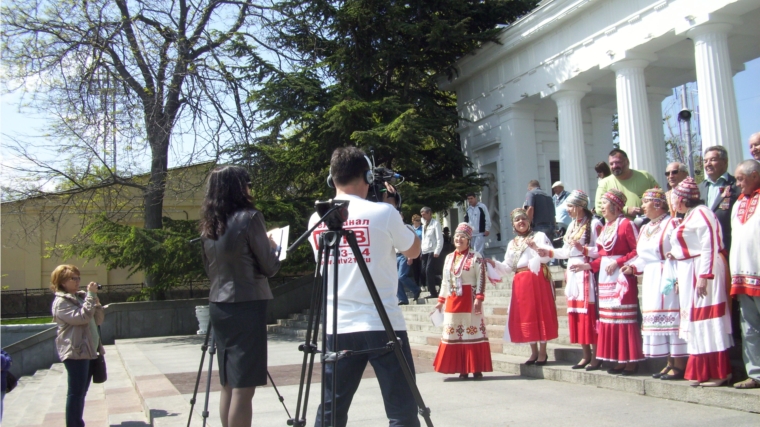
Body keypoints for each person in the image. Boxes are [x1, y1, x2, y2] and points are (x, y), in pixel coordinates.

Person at [308, 147, 422, 427]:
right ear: (368, 176)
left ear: (331, 179)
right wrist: (394, 212)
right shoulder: (384, 212)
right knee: (401, 411)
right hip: (383, 323)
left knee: (332, 410)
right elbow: (414, 250)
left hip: (339, 326)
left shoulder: (316, 220)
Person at [199, 165, 282, 427]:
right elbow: (269, 266)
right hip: (247, 304)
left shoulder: (209, 226)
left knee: (229, 381)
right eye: (246, 183)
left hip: (219, 304)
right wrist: (274, 247)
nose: (250, 187)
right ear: (238, 188)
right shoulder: (250, 218)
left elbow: (209, 268)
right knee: (244, 386)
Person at [668, 177, 733, 387]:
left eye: (675, 197)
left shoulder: (702, 213)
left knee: (707, 317)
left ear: (684, 199)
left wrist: (705, 275)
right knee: (696, 319)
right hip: (690, 270)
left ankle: (719, 371)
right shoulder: (688, 216)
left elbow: (710, 244)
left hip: (703, 269)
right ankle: (702, 370)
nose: (673, 201)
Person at [620, 189, 688, 380]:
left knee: (670, 315)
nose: (642, 206)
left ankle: (679, 363)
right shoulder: (645, 228)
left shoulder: (672, 223)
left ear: (657, 204)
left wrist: (677, 276)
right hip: (651, 277)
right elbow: (644, 257)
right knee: (658, 318)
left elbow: (679, 250)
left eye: (645, 202)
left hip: (667, 273)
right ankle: (669, 362)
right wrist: (632, 267)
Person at [575, 189, 642, 374]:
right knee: (610, 318)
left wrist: (619, 262)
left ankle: (631, 360)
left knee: (624, 318)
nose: (601, 207)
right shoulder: (605, 227)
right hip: (605, 277)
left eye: (604, 204)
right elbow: (602, 256)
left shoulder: (627, 224)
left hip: (621, 276)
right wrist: (587, 266)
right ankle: (619, 358)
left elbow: (638, 251)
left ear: (614, 205)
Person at [539, 190, 602, 369]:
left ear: (580, 206)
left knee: (589, 313)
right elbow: (566, 251)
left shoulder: (594, 224)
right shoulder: (573, 225)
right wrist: (548, 252)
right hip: (573, 272)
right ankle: (585, 354)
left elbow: (600, 250)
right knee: (576, 314)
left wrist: (583, 250)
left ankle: (596, 355)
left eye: (570, 206)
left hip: (586, 271)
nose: (567, 210)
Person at [486, 208, 558, 365]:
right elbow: (507, 267)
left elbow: (549, 255)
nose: (521, 222)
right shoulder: (513, 243)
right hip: (521, 281)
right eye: (517, 220)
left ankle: (543, 352)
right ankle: (533, 351)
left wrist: (535, 248)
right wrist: (494, 263)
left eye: (523, 219)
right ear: (513, 225)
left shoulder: (539, 236)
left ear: (529, 221)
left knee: (540, 312)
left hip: (537, 277)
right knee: (527, 314)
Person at [431, 223, 493, 379]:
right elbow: (445, 281)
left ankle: (476, 367)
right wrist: (440, 301)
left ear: (468, 240)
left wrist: (479, 297)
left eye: (463, 237)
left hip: (470, 299)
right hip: (452, 300)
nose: (459, 239)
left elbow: (481, 278)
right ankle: (462, 369)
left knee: (472, 333)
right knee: (455, 335)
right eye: (457, 236)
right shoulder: (449, 258)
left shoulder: (475, 257)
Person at [50, 264, 105, 427]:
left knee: (81, 392)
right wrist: (90, 297)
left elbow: (97, 320)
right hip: (75, 351)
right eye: (73, 278)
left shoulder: (81, 297)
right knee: (75, 393)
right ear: (62, 282)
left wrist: (96, 303)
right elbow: (81, 318)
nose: (77, 281)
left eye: (78, 278)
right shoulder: (61, 302)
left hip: (88, 350)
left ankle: (77, 422)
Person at [729, 159, 760, 389]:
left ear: (755, 176)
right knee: (749, 328)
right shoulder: (739, 202)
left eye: (741, 178)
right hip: (741, 275)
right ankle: (756, 373)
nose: (738, 183)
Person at [595, 149, 660, 217]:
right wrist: (625, 210)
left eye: (618, 162)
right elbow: (599, 209)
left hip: (646, 225)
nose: (614, 166)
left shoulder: (645, 176)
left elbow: (660, 197)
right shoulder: (604, 183)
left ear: (627, 161)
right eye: (611, 164)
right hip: (617, 227)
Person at [699, 145, 740, 253]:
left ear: (725, 162)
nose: (708, 164)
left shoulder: (736, 185)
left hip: (729, 245)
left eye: (713, 160)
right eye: (705, 161)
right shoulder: (699, 188)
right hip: (705, 247)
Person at [396, 212, 421, 306]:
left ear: (402, 217)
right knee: (396, 279)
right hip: (395, 255)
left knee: (401, 276)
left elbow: (414, 241)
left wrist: (410, 256)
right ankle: (402, 298)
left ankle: (416, 289)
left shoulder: (407, 227)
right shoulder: (393, 228)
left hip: (404, 254)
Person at [420, 206, 443, 298]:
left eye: (424, 214)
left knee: (429, 270)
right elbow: (424, 238)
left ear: (429, 213)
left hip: (432, 250)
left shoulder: (435, 224)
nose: (423, 217)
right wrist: (421, 251)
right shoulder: (424, 225)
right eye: (422, 215)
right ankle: (441, 281)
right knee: (424, 271)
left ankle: (433, 292)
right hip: (425, 250)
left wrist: (437, 250)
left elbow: (439, 239)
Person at [411, 214, 423, 287]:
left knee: (421, 268)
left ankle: (422, 284)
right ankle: (416, 284)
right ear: (413, 221)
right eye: (417, 220)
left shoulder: (422, 229)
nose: (419, 222)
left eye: (419, 220)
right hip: (412, 250)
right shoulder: (410, 228)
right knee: (414, 269)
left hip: (420, 250)